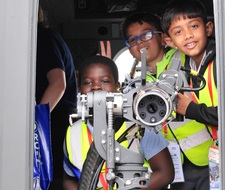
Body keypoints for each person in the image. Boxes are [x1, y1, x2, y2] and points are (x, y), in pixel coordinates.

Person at [63, 55, 175, 190]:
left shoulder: (139, 126)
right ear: (80, 89)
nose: (96, 87)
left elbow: (165, 174)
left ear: (117, 87)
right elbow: (69, 179)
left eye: (104, 81)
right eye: (88, 82)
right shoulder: (72, 132)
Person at [160, 0, 218, 189]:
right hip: (208, 156)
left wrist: (191, 110)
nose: (188, 35)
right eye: (178, 32)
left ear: (208, 28)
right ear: (169, 41)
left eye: (194, 26)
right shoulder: (183, 65)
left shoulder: (220, 61)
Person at [36, 5, 78, 189]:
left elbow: (58, 84)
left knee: (51, 181)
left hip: (53, 121)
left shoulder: (45, 38)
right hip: (55, 119)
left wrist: (35, 124)